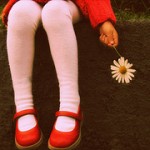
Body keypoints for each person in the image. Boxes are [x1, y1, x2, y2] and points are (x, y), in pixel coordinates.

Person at [1, 0, 118, 149]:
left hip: (69, 4)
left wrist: (103, 19)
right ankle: (23, 104)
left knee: (54, 10)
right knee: (19, 12)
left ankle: (70, 104)